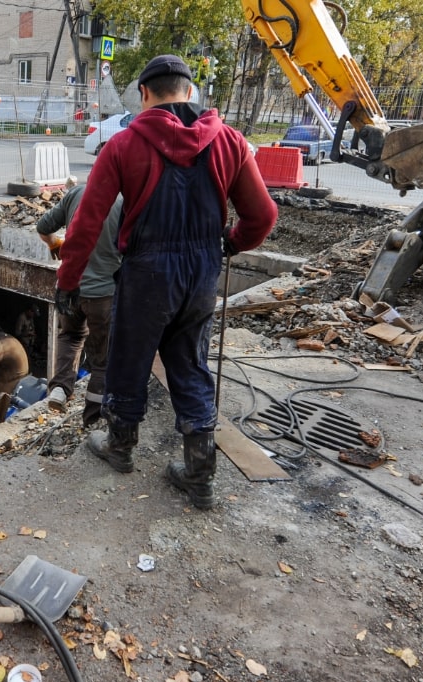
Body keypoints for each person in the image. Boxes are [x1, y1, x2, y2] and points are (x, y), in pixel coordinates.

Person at [54, 54, 277, 509]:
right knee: (191, 362)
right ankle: (199, 474)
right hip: (201, 271)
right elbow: (264, 215)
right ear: (190, 91)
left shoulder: (122, 145)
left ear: (143, 95)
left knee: (128, 359)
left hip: (147, 272)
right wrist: (231, 243)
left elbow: (87, 223)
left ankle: (120, 447)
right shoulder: (231, 142)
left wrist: (68, 281)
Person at [37, 184, 124, 426]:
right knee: (102, 362)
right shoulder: (127, 201)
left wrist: (54, 243)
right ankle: (92, 420)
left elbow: (43, 228)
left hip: (69, 289)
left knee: (71, 336)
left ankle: (60, 388)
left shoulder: (77, 192)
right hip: (103, 295)